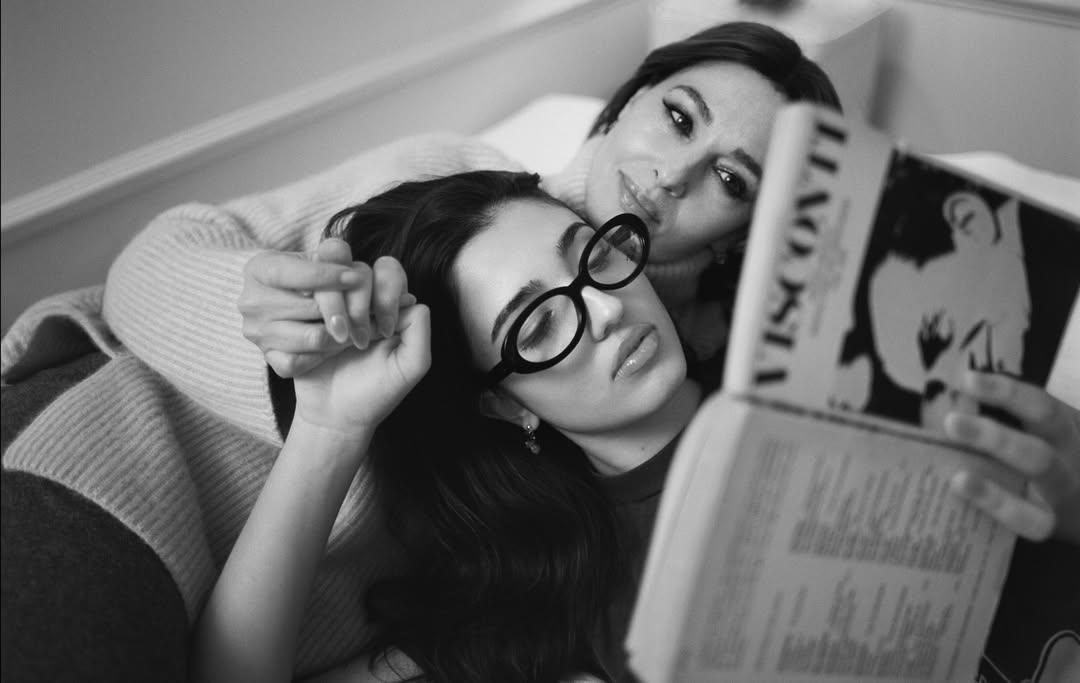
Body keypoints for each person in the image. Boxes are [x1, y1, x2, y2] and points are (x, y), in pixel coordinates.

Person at [192, 170, 699, 682]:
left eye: (598, 255)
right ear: (503, 404)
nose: (608, 308)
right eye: (540, 325)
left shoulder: (752, 342)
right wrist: (327, 428)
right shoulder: (558, 605)